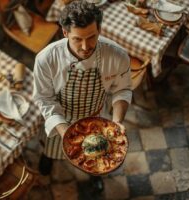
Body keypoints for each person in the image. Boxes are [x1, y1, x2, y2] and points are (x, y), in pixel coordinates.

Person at [32, 0, 132, 192]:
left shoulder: (117, 56)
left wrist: (117, 121)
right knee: (52, 146)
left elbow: (123, 89)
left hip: (95, 119)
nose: (86, 46)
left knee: (95, 157)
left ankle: (93, 174)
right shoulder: (46, 59)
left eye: (91, 37)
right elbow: (45, 98)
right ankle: (48, 158)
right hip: (60, 116)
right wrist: (67, 133)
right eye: (77, 39)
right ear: (65, 32)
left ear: (100, 30)